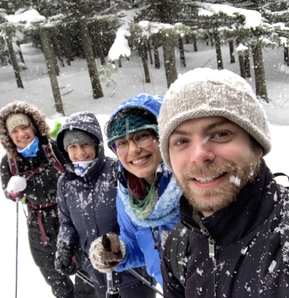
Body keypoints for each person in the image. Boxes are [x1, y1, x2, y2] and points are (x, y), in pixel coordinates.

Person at [158, 67, 289, 297]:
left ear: (256, 143)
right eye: (181, 141)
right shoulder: (179, 245)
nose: (199, 155)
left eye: (221, 134)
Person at [55, 111, 155, 298]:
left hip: (135, 273)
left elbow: (142, 218)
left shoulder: (118, 171)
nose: (80, 153)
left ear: (96, 145)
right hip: (96, 273)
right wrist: (65, 245)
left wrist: (120, 248)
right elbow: (66, 222)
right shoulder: (65, 183)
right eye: (73, 147)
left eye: (85, 145)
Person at [89, 93, 182, 287]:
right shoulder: (128, 196)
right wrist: (119, 251)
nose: (133, 150)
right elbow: (143, 246)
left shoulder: (195, 183)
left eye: (141, 136)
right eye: (122, 143)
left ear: (163, 135)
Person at [0, 100, 74, 298]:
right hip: (38, 227)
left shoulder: (55, 149)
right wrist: (12, 190)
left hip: (69, 217)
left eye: (24, 127)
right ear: (8, 136)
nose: (21, 134)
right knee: (54, 278)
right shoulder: (9, 162)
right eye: (15, 131)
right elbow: (8, 193)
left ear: (34, 127)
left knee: (84, 270)